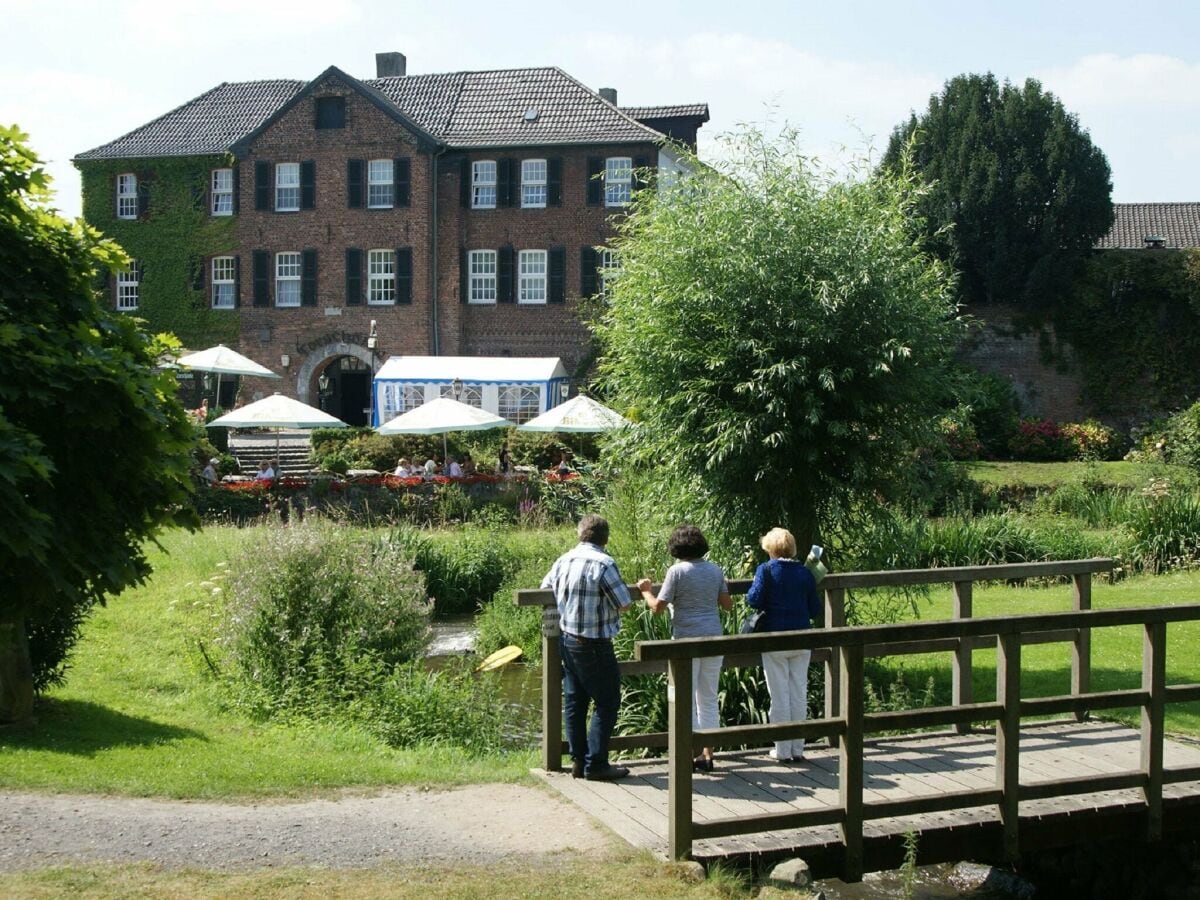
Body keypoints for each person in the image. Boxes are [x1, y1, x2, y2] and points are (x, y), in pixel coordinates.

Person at [541, 515, 632, 782]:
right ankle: (597, 764)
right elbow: (624, 603)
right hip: (595, 642)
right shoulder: (604, 563)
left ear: (580, 534)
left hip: (567, 639)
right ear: (605, 537)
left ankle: (578, 762)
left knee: (575, 702)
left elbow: (544, 588)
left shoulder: (564, 559)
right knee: (607, 701)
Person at [637, 525, 731, 773]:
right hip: (713, 638)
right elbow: (727, 604)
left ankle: (692, 753)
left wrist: (646, 591)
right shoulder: (714, 570)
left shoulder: (676, 572)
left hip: (686, 641)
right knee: (708, 698)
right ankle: (708, 754)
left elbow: (657, 608)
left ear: (676, 548)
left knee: (685, 699)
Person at [745, 527, 822, 763]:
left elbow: (753, 599)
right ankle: (797, 748)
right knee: (799, 692)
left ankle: (782, 749)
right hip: (801, 638)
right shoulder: (805, 573)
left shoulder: (766, 570)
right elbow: (815, 609)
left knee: (779, 695)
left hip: (775, 639)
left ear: (772, 550)